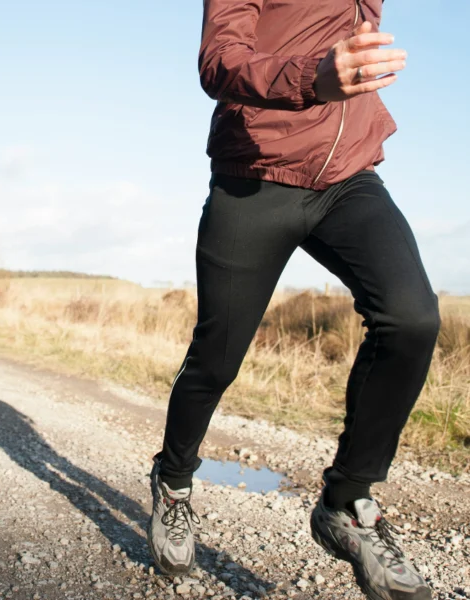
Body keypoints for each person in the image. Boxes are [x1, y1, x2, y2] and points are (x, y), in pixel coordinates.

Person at [147, 2, 439, 599]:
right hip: (255, 175)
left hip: (347, 176)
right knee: (218, 357)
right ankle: (174, 483)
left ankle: (346, 502)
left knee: (411, 319)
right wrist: (312, 77)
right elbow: (219, 61)